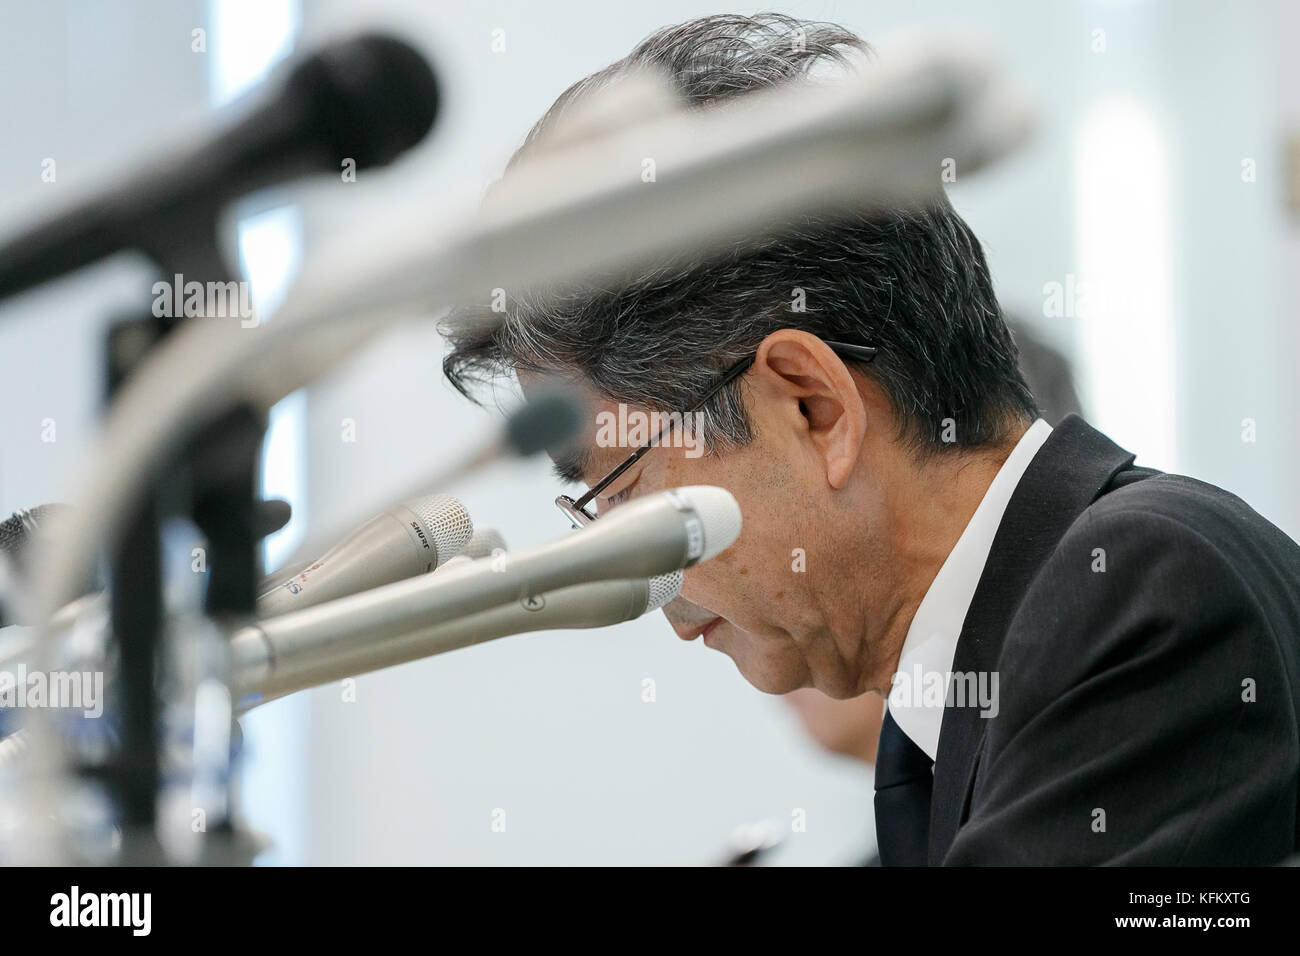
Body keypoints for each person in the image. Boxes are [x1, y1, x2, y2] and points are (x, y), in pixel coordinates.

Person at [442, 13, 1300, 865]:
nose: (656, 596)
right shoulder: (944, 711)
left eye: (619, 494)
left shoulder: (1142, 588)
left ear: (813, 406)